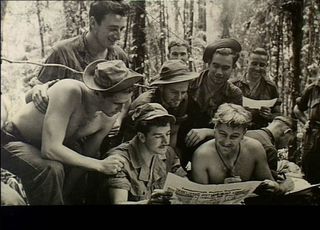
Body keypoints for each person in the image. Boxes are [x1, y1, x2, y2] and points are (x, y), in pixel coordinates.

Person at [1, 60, 143, 205]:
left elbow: (84, 160)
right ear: (98, 93)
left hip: (51, 149)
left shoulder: (109, 116)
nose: (120, 110)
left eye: (124, 103)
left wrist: (65, 194)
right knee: (51, 168)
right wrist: (100, 165)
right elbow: (50, 150)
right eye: (117, 103)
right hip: (12, 140)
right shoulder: (70, 91)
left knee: (80, 178)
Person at [28, 0, 130, 114]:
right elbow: (32, 98)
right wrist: (36, 91)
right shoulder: (62, 53)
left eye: (122, 29)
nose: (119, 36)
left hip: (103, 129)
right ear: (93, 23)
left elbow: (126, 99)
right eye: (113, 29)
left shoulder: (120, 57)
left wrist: (118, 121)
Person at [191, 103, 290, 194]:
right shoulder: (202, 155)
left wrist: (276, 187)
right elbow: (200, 198)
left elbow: (269, 184)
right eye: (222, 134)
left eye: (234, 136)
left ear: (243, 134)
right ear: (215, 129)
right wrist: (222, 191)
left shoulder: (255, 148)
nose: (227, 142)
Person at [103, 103, 187, 204]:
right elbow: (119, 202)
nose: (166, 142)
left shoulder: (168, 153)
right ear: (141, 137)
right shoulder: (118, 160)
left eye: (168, 134)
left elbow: (184, 183)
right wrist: (148, 203)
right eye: (158, 136)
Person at [178, 38, 243, 166]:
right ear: (208, 63)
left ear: (233, 68)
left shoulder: (234, 94)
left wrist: (208, 132)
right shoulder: (190, 84)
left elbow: (235, 129)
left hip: (212, 149)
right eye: (216, 66)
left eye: (225, 68)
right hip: (180, 145)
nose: (219, 72)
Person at [119, 60, 199, 156]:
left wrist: (167, 157)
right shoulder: (144, 104)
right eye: (174, 92)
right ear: (161, 87)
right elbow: (130, 141)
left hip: (159, 147)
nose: (179, 97)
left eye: (183, 92)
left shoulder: (183, 100)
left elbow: (173, 132)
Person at [233, 47, 281, 129]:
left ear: (266, 66)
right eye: (254, 63)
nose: (257, 68)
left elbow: (277, 115)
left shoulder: (270, 87)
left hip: (259, 131)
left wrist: (269, 116)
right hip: (235, 129)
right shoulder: (234, 84)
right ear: (247, 62)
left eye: (262, 65)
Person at [293, 63, 320, 184]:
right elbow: (297, 109)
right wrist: (306, 122)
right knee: (310, 172)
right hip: (313, 136)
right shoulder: (312, 89)